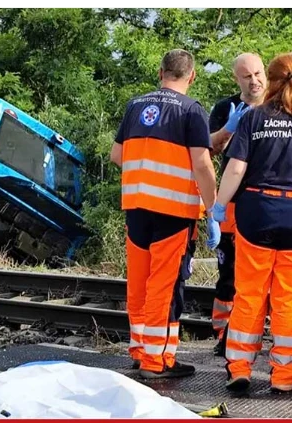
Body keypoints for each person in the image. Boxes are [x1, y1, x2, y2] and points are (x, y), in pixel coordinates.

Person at [110, 49, 219, 379]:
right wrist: (213, 208)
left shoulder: (134, 105)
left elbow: (117, 156)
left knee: (140, 284)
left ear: (161, 73)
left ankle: (141, 350)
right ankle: (157, 363)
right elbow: (201, 164)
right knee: (164, 286)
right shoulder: (192, 110)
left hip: (137, 208)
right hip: (173, 211)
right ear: (192, 76)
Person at [209, 53, 292, 392]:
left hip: (255, 214)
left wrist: (217, 207)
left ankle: (240, 368)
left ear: (270, 81)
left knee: (249, 294)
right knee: (287, 299)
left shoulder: (253, 118)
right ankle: (284, 377)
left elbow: (236, 169)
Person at [207, 53, 267, 356]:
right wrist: (230, 128)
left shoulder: (280, 105)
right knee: (229, 274)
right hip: (233, 202)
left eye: (258, 73)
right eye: (247, 76)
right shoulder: (225, 108)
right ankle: (224, 334)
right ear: (237, 78)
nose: (254, 81)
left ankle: (257, 332)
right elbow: (209, 150)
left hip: (269, 202)